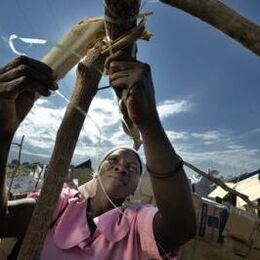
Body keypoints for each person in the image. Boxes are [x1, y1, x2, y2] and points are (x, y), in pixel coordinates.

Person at [0, 53, 196, 259]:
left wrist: (149, 122)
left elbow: (181, 228)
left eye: (133, 169)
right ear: (96, 172)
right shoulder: (59, 205)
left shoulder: (138, 224)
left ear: (135, 187)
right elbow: (2, 221)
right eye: (113, 161)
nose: (121, 168)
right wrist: (3, 135)